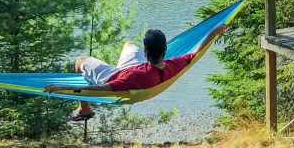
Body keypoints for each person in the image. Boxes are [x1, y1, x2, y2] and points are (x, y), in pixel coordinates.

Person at [49, 28, 201, 124]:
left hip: (116, 74)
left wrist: (63, 88)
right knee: (129, 44)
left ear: (146, 51)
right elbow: (195, 53)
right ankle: (118, 63)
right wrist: (215, 31)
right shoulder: (174, 64)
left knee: (80, 61)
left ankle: (85, 108)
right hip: (138, 67)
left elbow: (99, 88)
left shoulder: (131, 79)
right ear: (166, 49)